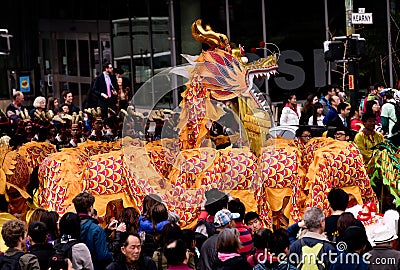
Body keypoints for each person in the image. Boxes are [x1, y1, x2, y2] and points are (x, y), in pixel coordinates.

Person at [72, 192, 112, 269]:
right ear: (90, 208)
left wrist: (107, 231)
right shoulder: (96, 229)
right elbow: (103, 256)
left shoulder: (70, 226)